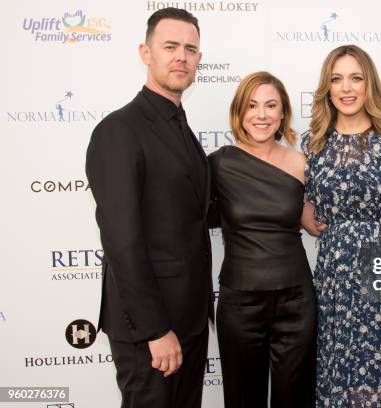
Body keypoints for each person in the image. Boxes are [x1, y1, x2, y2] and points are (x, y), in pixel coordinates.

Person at [85, 8, 213, 408]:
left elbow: (190, 214)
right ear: (146, 52)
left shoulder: (181, 129)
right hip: (152, 330)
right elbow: (122, 242)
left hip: (190, 321)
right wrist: (155, 331)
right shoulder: (119, 131)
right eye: (170, 46)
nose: (181, 57)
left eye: (190, 49)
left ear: (198, 59)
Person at [301, 44, 381, 407]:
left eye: (355, 78)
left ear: (369, 83)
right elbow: (294, 196)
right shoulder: (313, 144)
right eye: (336, 79)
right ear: (327, 87)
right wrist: (301, 210)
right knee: (340, 373)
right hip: (337, 283)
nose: (346, 88)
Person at [209, 72, 316, 408]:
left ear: (283, 112)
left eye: (271, 105)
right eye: (252, 105)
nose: (262, 114)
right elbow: (186, 218)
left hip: (296, 303)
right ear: (240, 112)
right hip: (240, 305)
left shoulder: (301, 163)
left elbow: (316, 224)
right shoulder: (219, 164)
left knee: (295, 400)